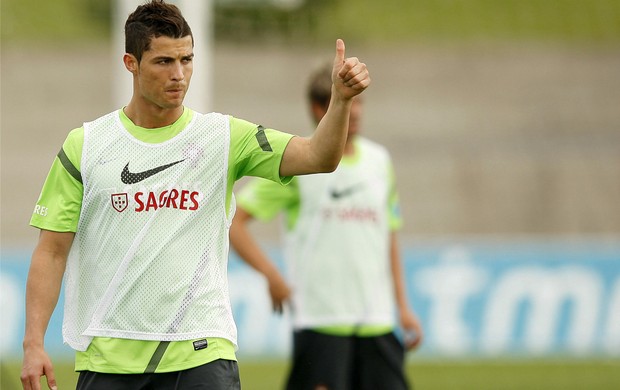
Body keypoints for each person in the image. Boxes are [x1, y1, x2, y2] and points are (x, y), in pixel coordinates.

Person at [19, 1, 370, 389]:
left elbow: (318, 157)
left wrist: (340, 101)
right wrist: (33, 343)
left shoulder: (222, 137)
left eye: (187, 60)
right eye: (164, 62)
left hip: (202, 354)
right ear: (130, 63)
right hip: (109, 359)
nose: (179, 75)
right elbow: (51, 250)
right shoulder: (85, 146)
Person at [229, 63, 423, 390]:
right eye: (347, 102)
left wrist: (402, 307)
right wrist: (272, 276)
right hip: (321, 321)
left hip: (376, 320)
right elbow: (236, 223)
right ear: (320, 109)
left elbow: (388, 233)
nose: (356, 111)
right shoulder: (301, 166)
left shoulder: (379, 161)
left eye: (360, 102)